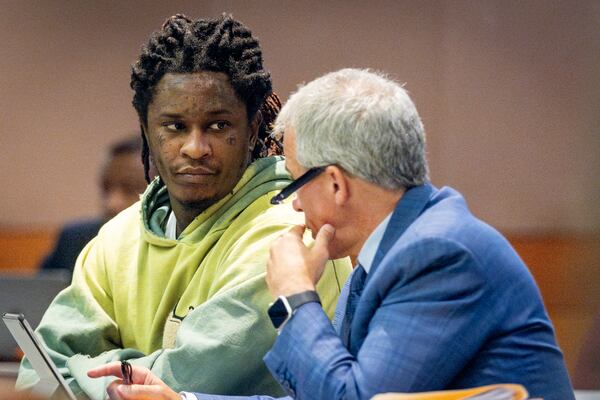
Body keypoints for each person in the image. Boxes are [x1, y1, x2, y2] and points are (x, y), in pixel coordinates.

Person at [89, 68, 575, 399]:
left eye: (295, 182)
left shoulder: (442, 253)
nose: (295, 203)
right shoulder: (387, 253)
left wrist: (296, 298)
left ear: (336, 183)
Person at [17, 15, 350, 399]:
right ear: (147, 131)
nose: (195, 148)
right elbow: (38, 373)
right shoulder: (117, 238)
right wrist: (116, 372)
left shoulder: (288, 231)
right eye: (175, 126)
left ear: (253, 129)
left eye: (218, 125)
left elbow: (180, 386)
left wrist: (79, 369)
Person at [40, 135, 149, 273]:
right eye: (106, 188)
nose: (111, 203)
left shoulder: (179, 251)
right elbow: (38, 291)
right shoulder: (74, 240)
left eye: (129, 188)